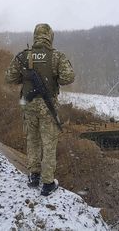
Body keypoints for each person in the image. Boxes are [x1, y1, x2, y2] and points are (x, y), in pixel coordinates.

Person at [5, 23, 75, 196]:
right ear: (50, 37)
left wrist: (25, 76)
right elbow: (68, 77)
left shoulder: (24, 56)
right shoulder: (56, 56)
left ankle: (34, 175)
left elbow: (9, 77)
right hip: (47, 106)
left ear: (35, 36)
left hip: (28, 105)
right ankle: (48, 182)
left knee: (33, 140)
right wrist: (54, 76)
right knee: (49, 143)